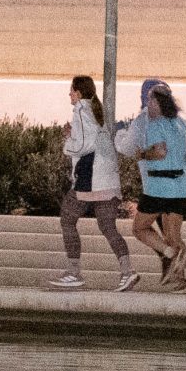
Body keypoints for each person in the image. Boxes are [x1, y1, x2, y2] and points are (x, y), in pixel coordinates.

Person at [51, 75, 139, 292]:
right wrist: (74, 136)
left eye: (71, 90)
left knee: (67, 219)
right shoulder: (97, 112)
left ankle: (74, 272)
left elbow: (83, 145)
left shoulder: (80, 110)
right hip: (107, 178)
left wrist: (67, 143)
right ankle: (127, 272)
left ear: (79, 93)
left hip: (91, 179)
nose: (69, 94)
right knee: (108, 226)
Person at [126, 79, 186, 292]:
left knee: (139, 228)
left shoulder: (155, 124)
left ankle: (168, 254)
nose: (146, 104)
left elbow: (159, 152)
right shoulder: (181, 123)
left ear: (158, 104)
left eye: (149, 101)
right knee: (174, 236)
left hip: (158, 187)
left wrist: (142, 153)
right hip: (180, 188)